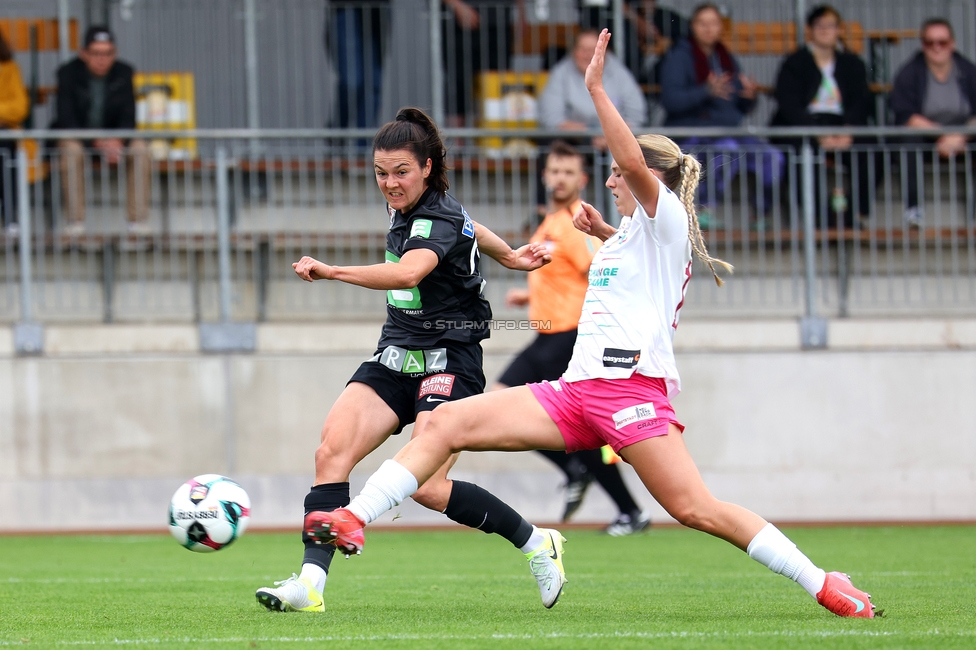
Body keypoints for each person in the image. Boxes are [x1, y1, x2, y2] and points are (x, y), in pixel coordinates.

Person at [305, 31, 880, 620]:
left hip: (631, 395)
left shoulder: (669, 219)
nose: (609, 178)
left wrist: (597, 89)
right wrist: (602, 233)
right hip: (576, 393)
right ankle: (351, 518)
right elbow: (637, 269)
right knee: (445, 424)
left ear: (647, 179)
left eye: (615, 173)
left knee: (696, 510)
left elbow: (633, 165)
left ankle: (821, 580)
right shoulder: (631, 236)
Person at [255, 107, 567, 614]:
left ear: (427, 166)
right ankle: (311, 586)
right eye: (381, 172)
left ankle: (536, 542)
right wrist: (508, 255)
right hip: (397, 350)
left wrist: (332, 271)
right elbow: (471, 224)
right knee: (330, 454)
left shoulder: (436, 217)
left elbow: (407, 274)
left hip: (451, 358)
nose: (390, 183)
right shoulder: (421, 209)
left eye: (401, 171)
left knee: (428, 487)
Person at [497, 139, 650, 535]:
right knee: (582, 429)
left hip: (567, 336)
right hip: (551, 335)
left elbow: (598, 272)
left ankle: (578, 471)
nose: (561, 178)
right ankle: (628, 509)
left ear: (581, 179)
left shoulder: (577, 221)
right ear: (545, 176)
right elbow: (562, 277)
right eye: (555, 170)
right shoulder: (551, 222)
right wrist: (529, 294)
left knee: (502, 404)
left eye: (569, 172)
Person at [660, 3, 784, 229]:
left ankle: (760, 214)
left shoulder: (726, 58)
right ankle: (704, 209)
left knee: (773, 157)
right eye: (702, 23)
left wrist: (749, 96)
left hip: (729, 130)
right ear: (693, 27)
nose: (708, 29)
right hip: (693, 132)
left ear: (720, 28)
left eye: (714, 23)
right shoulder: (678, 56)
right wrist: (705, 92)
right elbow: (670, 101)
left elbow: (739, 106)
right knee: (726, 149)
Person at [770, 4, 874, 228]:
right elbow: (788, 103)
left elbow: (863, 100)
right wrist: (816, 133)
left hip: (842, 124)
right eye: (819, 26)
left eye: (830, 26)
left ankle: (855, 213)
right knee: (800, 153)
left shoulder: (852, 63)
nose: (825, 31)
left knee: (871, 151)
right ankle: (821, 216)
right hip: (807, 125)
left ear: (839, 30)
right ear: (810, 29)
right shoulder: (795, 62)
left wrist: (848, 130)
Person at [52, 25, 150, 237]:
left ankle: (138, 223)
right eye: (96, 53)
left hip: (115, 140)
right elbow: (65, 118)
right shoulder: (67, 73)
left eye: (107, 53)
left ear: (115, 53)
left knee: (140, 148)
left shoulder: (124, 72)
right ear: (83, 53)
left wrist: (117, 141)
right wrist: (97, 142)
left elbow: (129, 116)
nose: (102, 59)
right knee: (70, 149)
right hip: (80, 139)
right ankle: (75, 223)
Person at [536, 28, 646, 217]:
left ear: (605, 51)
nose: (587, 55)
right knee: (546, 149)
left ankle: (626, 215)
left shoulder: (619, 74)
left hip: (615, 139)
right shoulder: (561, 73)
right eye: (581, 49)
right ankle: (544, 214)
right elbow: (551, 118)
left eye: (593, 49)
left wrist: (609, 135)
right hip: (576, 140)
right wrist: (589, 134)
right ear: (573, 51)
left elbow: (636, 115)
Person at [890, 17, 976, 227]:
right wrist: (944, 136)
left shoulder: (968, 70)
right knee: (908, 143)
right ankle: (914, 210)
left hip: (964, 136)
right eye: (930, 42)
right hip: (928, 137)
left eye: (943, 42)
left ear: (952, 43)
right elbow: (906, 115)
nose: (936, 48)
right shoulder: (910, 72)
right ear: (922, 45)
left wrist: (959, 136)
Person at [326, 1, 389, 130]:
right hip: (346, 8)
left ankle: (363, 147)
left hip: (378, 12)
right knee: (352, 82)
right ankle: (337, 133)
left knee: (372, 85)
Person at [0, 30, 29, 236]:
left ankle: (10, 217)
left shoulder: (9, 68)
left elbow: (20, 107)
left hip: (3, 132)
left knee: (5, 146)